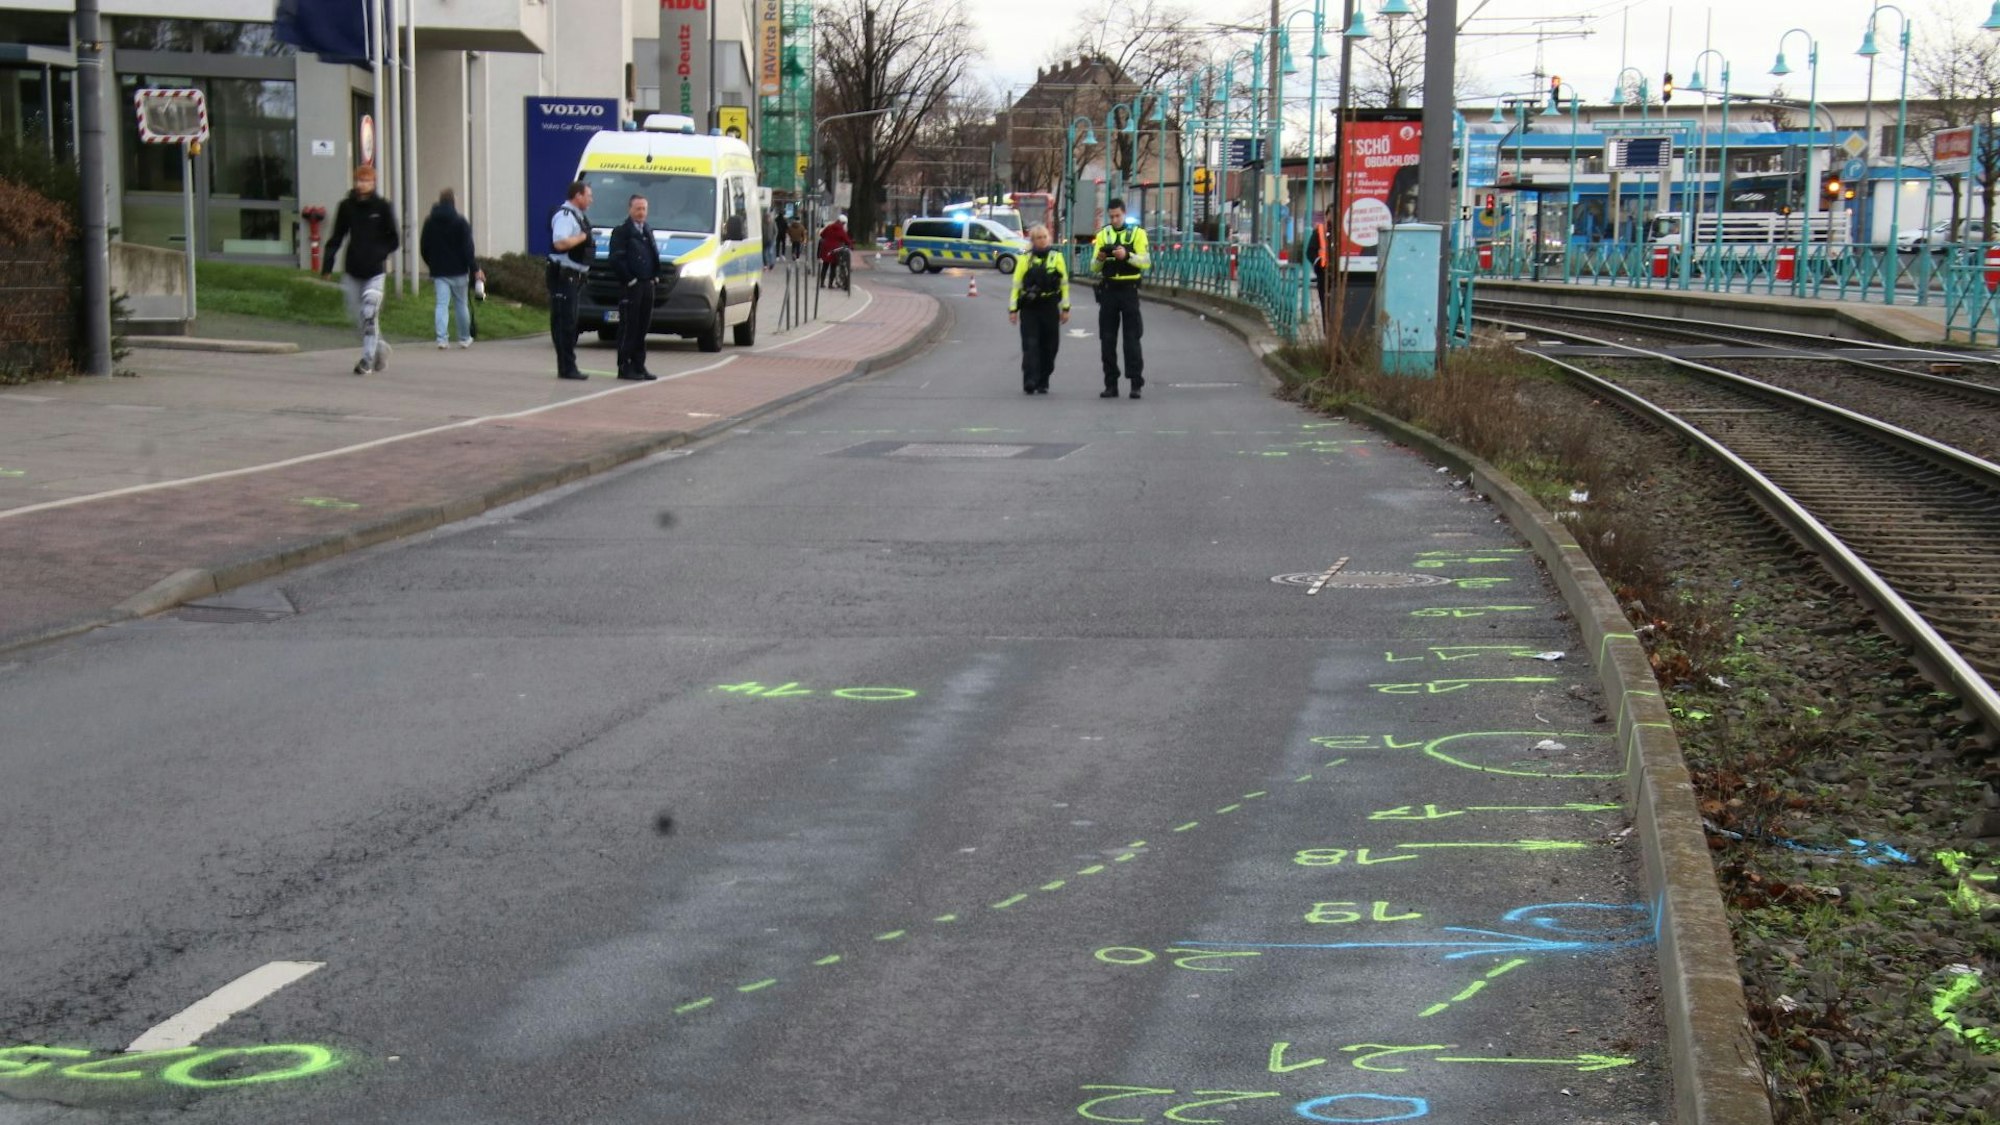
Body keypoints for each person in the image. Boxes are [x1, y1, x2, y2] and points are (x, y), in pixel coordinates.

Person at [321, 164, 400, 375]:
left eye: (366, 181)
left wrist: (379, 252)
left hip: (375, 271)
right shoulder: (346, 207)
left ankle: (366, 360)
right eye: (358, 180)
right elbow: (336, 237)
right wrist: (327, 265)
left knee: (369, 313)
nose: (361, 184)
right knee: (359, 318)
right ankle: (379, 348)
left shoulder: (382, 207)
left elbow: (393, 239)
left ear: (373, 183)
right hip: (353, 269)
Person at [1090, 197, 1150, 399]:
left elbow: (1146, 262)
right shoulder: (1103, 235)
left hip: (1128, 290)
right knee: (1107, 339)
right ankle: (1111, 384)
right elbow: (1093, 267)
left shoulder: (1138, 234)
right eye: (1112, 216)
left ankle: (1135, 383)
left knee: (1131, 339)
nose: (1115, 219)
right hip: (1108, 290)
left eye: (1118, 215)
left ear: (1124, 214)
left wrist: (1128, 256)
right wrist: (1099, 259)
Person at [1007, 223, 1069, 395]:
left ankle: (1043, 379)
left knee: (1050, 347)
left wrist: (1066, 308)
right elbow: (1016, 286)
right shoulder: (1024, 259)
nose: (1042, 241)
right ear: (1033, 241)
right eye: (1038, 238)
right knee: (1031, 344)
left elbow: (1064, 285)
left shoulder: (1056, 257)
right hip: (1030, 308)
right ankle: (1030, 379)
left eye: (1044, 237)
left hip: (1049, 306)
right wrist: (1013, 310)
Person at [419, 187, 480, 350]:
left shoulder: (429, 221)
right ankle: (464, 337)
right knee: (461, 304)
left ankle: (442, 339)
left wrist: (431, 263)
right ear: (454, 202)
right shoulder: (461, 222)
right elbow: (468, 248)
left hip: (439, 270)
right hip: (459, 270)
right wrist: (474, 268)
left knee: (441, 304)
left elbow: (424, 246)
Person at [609, 193, 660, 382]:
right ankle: (625, 366)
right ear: (630, 209)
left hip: (647, 285)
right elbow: (616, 259)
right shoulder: (622, 231)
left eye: (644, 209)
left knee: (642, 327)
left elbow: (653, 254)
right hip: (632, 287)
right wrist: (629, 279)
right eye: (637, 209)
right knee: (629, 326)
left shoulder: (647, 230)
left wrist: (655, 276)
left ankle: (639, 365)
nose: (641, 212)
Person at [547, 180, 594, 381]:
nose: (591, 200)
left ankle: (568, 365)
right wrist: (582, 238)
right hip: (563, 276)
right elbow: (560, 242)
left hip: (574, 277)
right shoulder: (565, 216)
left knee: (570, 322)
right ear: (578, 196)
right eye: (588, 195)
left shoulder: (578, 216)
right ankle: (567, 367)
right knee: (564, 323)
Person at [1303, 204, 1334, 318]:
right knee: (1326, 305)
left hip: (1338, 274)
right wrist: (1319, 262)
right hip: (1324, 273)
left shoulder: (1342, 231)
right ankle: (1327, 332)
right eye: (1331, 213)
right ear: (1327, 215)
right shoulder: (1320, 231)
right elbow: (1310, 252)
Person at [818, 212, 853, 288]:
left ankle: (822, 283)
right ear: (843, 223)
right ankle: (830, 284)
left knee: (825, 266)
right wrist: (851, 245)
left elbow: (822, 234)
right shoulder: (841, 230)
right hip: (835, 250)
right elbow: (847, 240)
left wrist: (827, 238)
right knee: (833, 267)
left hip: (826, 248)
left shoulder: (829, 226)